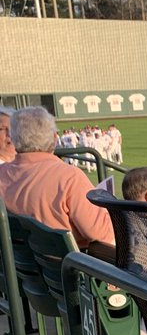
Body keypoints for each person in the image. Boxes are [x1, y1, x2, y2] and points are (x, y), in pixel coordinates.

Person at [0, 106, 115, 260]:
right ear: (55, 138)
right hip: (66, 275)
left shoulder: (3, 173)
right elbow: (100, 233)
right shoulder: (69, 177)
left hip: (20, 272)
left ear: (14, 139)